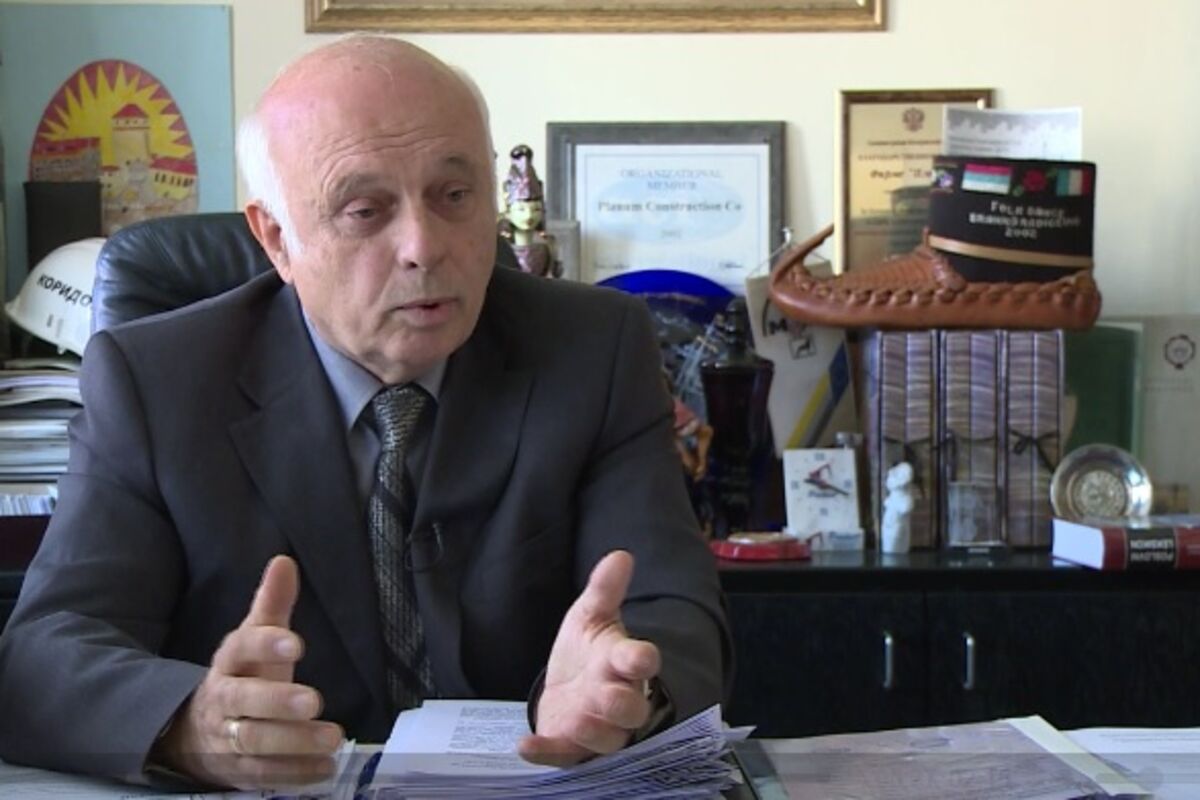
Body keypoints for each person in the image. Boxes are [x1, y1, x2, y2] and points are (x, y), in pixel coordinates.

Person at [0, 37, 729, 791]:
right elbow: (45, 654)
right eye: (364, 211)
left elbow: (672, 606)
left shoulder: (594, 347)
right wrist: (194, 724)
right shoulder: (157, 382)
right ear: (276, 238)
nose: (423, 246)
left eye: (455, 196)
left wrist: (625, 689)